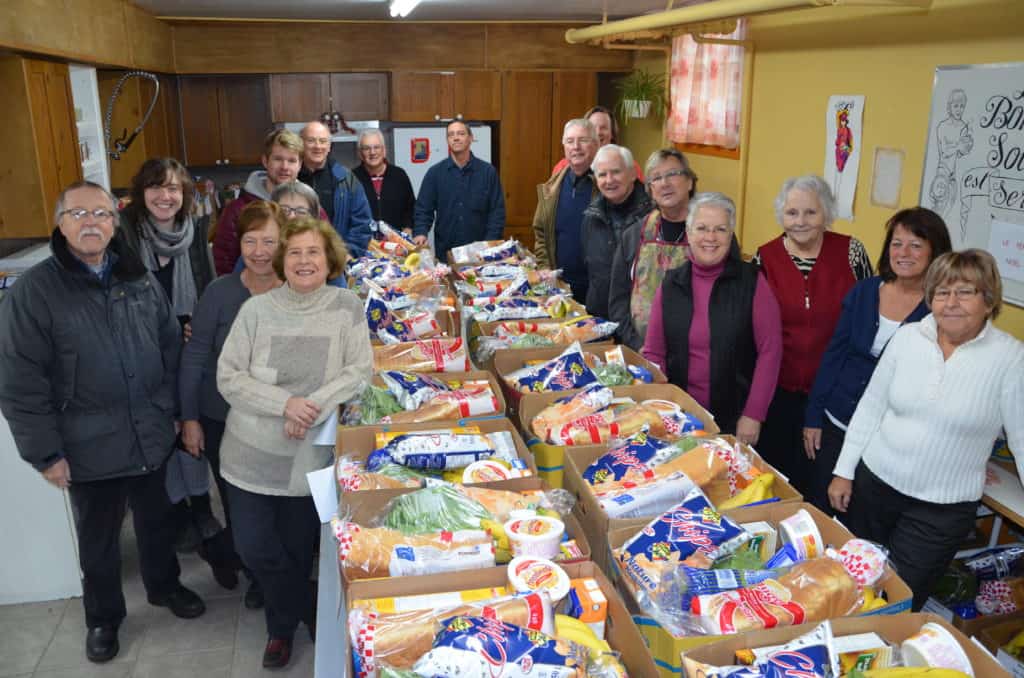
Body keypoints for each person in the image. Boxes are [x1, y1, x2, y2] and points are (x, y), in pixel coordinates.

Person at [0, 181, 206, 664]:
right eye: (78, 214)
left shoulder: (138, 278)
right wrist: (45, 453)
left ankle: (164, 587)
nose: (90, 222)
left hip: (151, 431)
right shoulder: (35, 291)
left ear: (115, 222)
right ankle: (103, 618)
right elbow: (18, 381)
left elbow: (169, 349)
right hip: (86, 443)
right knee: (100, 541)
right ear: (60, 223)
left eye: (100, 213)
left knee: (157, 524)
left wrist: (177, 413)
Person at [828, 250, 1024, 610]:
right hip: (875, 488)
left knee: (895, 603)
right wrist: (843, 471)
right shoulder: (906, 339)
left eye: (965, 292)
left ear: (988, 299)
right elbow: (871, 407)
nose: (951, 303)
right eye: (941, 292)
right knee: (847, 587)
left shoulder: (1010, 358)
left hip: (940, 511)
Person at [217, 216, 373, 668]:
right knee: (254, 549)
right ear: (282, 261)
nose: (305, 261)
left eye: (314, 252)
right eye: (296, 252)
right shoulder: (256, 311)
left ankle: (278, 630)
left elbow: (358, 371)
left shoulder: (346, 306)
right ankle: (305, 608)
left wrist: (311, 405)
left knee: (296, 550)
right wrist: (285, 403)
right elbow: (229, 377)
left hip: (310, 459)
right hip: (249, 454)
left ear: (329, 261)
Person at [118, 158, 231, 574]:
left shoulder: (193, 235)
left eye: (173, 189)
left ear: (184, 196)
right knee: (159, 442)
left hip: (188, 357)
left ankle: (200, 511)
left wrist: (198, 329)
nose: (165, 196)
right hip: (142, 357)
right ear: (140, 192)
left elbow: (208, 292)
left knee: (191, 431)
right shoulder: (123, 237)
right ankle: (176, 517)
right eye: (155, 187)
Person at [803, 207, 952, 513]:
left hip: (886, 441)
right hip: (835, 423)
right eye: (897, 243)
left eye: (916, 245)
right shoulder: (865, 291)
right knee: (821, 510)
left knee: (862, 521)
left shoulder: (942, 309)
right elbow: (834, 354)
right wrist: (813, 416)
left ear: (935, 252)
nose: (904, 253)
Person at [180, 201, 286, 611]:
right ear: (238, 243)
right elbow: (195, 357)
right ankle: (257, 575)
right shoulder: (219, 293)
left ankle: (252, 560)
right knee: (242, 505)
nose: (259, 251)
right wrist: (189, 417)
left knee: (280, 504)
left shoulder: (298, 287)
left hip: (282, 419)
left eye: (269, 241)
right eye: (250, 241)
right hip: (225, 420)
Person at [753, 175, 872, 494]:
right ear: (782, 216)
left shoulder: (851, 252)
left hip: (835, 395)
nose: (801, 221)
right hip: (778, 392)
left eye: (811, 212)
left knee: (821, 483)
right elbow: (755, 330)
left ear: (826, 214)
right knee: (775, 480)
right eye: (792, 213)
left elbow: (868, 316)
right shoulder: (764, 258)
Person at [642, 193, 782, 444]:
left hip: (735, 419)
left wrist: (753, 414)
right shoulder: (672, 283)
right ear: (689, 232)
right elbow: (654, 352)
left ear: (731, 235)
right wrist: (657, 408)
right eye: (702, 228)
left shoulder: (752, 282)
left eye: (720, 229)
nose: (710, 237)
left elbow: (770, 352)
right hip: (680, 417)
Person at [609, 148, 697, 350]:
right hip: (640, 351)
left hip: (694, 357)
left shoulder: (710, 235)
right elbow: (618, 302)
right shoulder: (634, 235)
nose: (664, 183)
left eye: (673, 174)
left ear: (690, 182)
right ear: (650, 189)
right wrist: (637, 345)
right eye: (656, 178)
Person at [212, 128, 304, 275]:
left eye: (291, 160)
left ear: (299, 165)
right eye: (278, 159)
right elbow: (223, 262)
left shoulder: (311, 208)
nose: (285, 167)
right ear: (265, 161)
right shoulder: (238, 210)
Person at [413, 120, 505, 262]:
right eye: (451, 135)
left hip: (480, 253)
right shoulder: (435, 173)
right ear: (447, 140)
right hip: (446, 253)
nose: (456, 138)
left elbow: (497, 212)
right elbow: (423, 209)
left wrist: (490, 244)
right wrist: (420, 232)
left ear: (470, 138)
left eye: (461, 134)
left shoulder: (488, 172)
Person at [581, 144, 653, 319]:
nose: (609, 180)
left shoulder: (652, 215)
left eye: (616, 172)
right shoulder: (591, 215)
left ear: (632, 174)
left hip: (638, 322)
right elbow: (590, 269)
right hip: (599, 319)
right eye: (602, 174)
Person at [532, 118, 599, 302]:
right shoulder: (551, 188)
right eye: (570, 141)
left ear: (596, 144)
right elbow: (540, 232)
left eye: (583, 140)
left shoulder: (606, 187)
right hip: (560, 287)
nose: (576, 146)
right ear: (564, 146)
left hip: (597, 289)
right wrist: (544, 266)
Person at [298, 120, 374, 256]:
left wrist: (346, 254)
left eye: (323, 141)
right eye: (311, 141)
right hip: (298, 260)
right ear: (301, 144)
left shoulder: (347, 179)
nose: (317, 146)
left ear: (329, 146)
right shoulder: (290, 178)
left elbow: (362, 224)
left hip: (338, 261)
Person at [550, 105, 644, 180]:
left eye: (604, 128)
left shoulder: (629, 166)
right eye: (593, 127)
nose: (598, 132)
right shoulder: (562, 167)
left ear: (612, 134)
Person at [352, 128, 416, 235]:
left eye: (376, 147)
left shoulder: (399, 175)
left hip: (397, 244)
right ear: (360, 153)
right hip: (363, 244)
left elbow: (411, 209)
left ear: (384, 150)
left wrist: (408, 228)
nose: (372, 152)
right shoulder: (352, 178)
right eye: (366, 148)